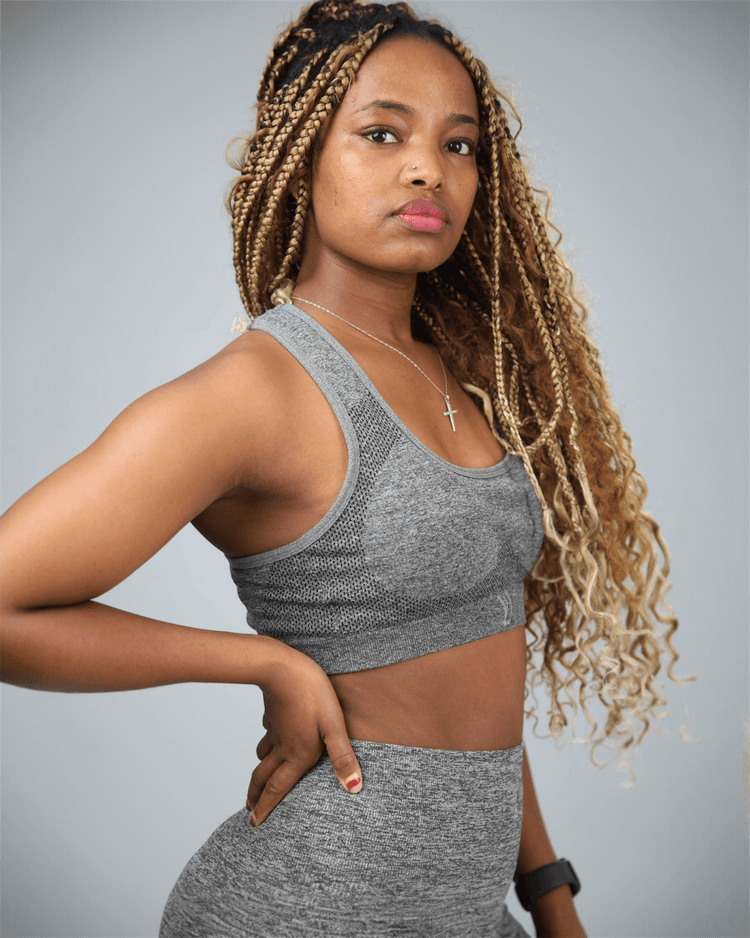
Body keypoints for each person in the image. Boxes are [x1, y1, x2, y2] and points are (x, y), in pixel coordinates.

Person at [0, 2, 696, 936]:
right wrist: (262, 661)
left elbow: (476, 663)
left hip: (470, 915)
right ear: (302, 159)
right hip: (308, 910)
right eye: (382, 133)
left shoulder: (463, 375)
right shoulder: (256, 392)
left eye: (459, 145)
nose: (427, 168)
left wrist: (550, 897)